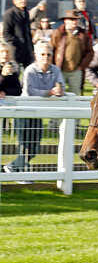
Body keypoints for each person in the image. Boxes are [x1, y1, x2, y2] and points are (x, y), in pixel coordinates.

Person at [4, 42, 64, 174]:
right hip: (23, 111)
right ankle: (21, 173)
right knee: (24, 146)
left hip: (37, 112)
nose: (45, 57)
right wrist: (49, 92)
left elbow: (61, 86)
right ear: (36, 56)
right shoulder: (30, 70)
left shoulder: (56, 70)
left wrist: (59, 90)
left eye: (48, 54)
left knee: (34, 148)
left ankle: (13, 167)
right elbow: (30, 91)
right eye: (42, 54)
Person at [49, 9, 94, 95]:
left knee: (74, 96)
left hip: (76, 70)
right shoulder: (58, 33)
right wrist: (54, 67)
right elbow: (51, 49)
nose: (75, 21)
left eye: (76, 19)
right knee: (58, 94)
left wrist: (81, 67)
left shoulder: (83, 34)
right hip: (59, 70)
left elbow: (90, 52)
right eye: (72, 19)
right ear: (66, 20)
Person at [3, 0, 35, 68]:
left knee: (29, 73)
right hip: (15, 50)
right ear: (14, 2)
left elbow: (28, 32)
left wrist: (31, 46)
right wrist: (18, 43)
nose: (23, 1)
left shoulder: (26, 13)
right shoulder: (10, 13)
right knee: (14, 73)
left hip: (27, 50)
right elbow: (6, 34)